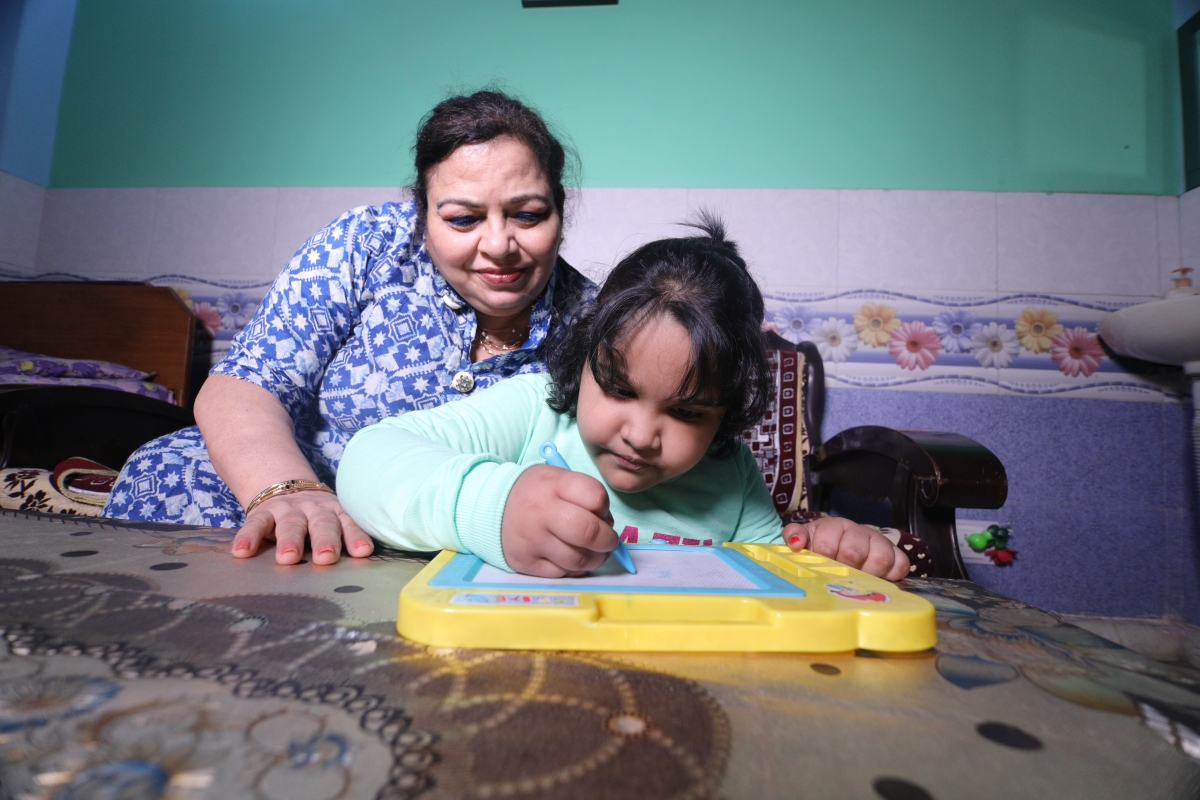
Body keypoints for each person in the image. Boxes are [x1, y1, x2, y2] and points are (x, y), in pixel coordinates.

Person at [102, 90, 597, 567]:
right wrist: (289, 491)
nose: (499, 245)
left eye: (528, 215)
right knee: (172, 469)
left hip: (443, 538)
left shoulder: (595, 324)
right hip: (278, 490)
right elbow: (247, 382)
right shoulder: (369, 245)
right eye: (464, 219)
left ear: (560, 211)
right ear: (423, 216)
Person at [336, 216, 911, 580]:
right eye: (617, 388)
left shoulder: (731, 475)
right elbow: (368, 459)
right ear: (584, 355)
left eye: (687, 412)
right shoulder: (536, 410)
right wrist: (494, 506)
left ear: (727, 413)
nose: (639, 434)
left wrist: (833, 551)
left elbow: (783, 578)